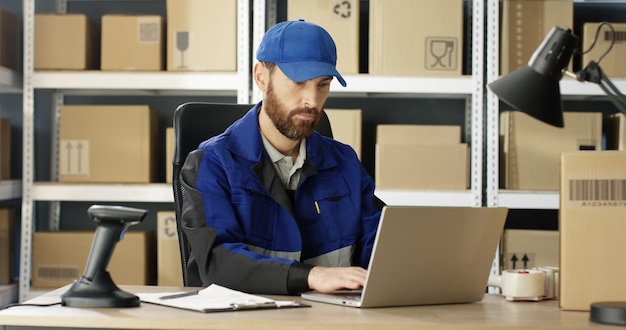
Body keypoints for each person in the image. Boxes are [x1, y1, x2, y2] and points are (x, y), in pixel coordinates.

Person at [180, 20, 381, 295]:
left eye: (323, 84)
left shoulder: (345, 163)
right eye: (298, 82)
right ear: (261, 76)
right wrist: (311, 276)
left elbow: (381, 247)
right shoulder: (211, 164)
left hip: (334, 322)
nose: (312, 100)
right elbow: (217, 262)